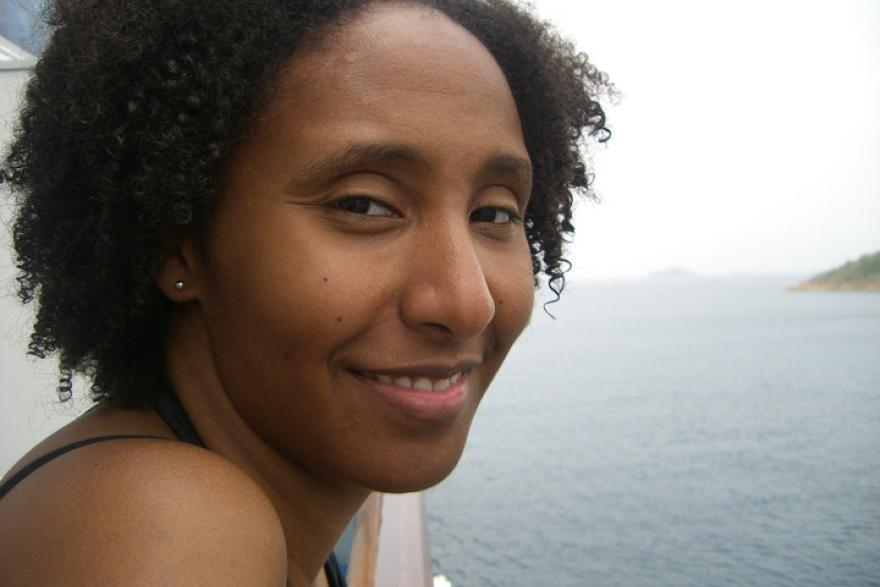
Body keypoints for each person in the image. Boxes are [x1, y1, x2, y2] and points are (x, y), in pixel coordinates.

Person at [0, 0, 609, 584]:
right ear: (177, 245)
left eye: (495, 214)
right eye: (364, 205)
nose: (467, 302)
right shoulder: (168, 526)